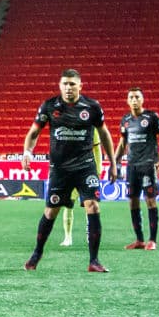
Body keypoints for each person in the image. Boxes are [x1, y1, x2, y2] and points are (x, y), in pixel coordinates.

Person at [21, 69, 117, 273]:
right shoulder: (49, 106)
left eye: (72, 84)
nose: (68, 87)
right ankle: (37, 253)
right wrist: (27, 152)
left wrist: (113, 163)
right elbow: (34, 132)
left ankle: (94, 261)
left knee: (93, 207)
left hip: (85, 167)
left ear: (80, 86)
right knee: (51, 211)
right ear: (60, 85)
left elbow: (105, 134)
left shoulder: (92, 107)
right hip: (60, 170)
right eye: (65, 83)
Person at [113, 88, 159, 250]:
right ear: (127, 100)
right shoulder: (125, 120)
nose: (134, 99)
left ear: (142, 99)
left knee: (150, 200)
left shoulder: (152, 117)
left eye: (137, 97)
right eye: (131, 97)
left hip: (148, 165)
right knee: (132, 201)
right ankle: (139, 240)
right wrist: (114, 161)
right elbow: (123, 143)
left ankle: (152, 240)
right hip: (131, 166)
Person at [59, 128, 101, 247]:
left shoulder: (91, 125)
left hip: (87, 170)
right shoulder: (65, 127)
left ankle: (90, 235)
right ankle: (67, 237)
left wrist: (98, 169)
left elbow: (97, 147)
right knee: (68, 205)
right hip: (69, 171)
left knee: (90, 204)